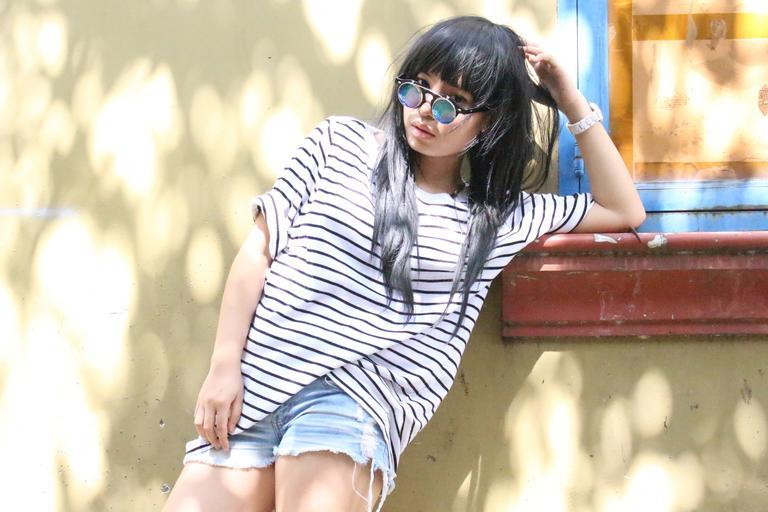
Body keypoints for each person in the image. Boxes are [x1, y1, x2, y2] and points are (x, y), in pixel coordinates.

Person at [162, 15, 645, 512]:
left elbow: (623, 208)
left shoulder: (496, 216)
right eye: (418, 87)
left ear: (488, 122)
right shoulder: (337, 144)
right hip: (256, 387)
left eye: (452, 102)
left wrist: (569, 99)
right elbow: (259, 252)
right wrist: (224, 366)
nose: (425, 110)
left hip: (353, 406)